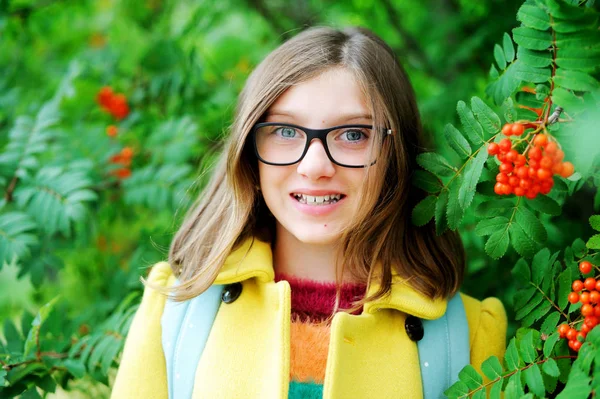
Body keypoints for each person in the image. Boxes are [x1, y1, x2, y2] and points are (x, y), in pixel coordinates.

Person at [110, 26, 507, 399]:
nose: (315, 166)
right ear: (250, 151)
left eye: (354, 134)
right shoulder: (176, 311)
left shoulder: (467, 336)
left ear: (396, 155)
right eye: (285, 131)